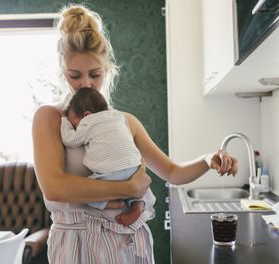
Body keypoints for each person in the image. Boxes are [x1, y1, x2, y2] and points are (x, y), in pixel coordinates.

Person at [32, 4, 238, 264]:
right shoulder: (50, 118)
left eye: (94, 74)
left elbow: (173, 172)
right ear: (64, 74)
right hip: (77, 245)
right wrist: (127, 187)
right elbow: (54, 188)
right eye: (75, 76)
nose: (85, 84)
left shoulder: (126, 122)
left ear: (107, 70)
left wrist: (208, 159)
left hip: (129, 243)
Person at [60, 87, 150, 226]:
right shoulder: (118, 117)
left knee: (82, 191)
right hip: (134, 167)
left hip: (110, 172)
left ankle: (110, 203)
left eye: (74, 122)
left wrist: (65, 121)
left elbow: (70, 140)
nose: (75, 125)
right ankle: (137, 205)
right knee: (141, 190)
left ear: (87, 114)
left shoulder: (88, 122)